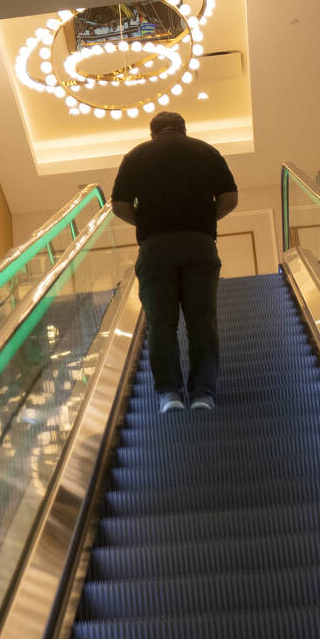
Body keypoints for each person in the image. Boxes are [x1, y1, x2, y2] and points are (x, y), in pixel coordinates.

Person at [110, 111, 238, 413]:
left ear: (152, 132)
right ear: (184, 129)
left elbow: (118, 205)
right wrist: (205, 220)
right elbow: (230, 198)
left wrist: (145, 222)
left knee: (161, 324)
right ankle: (203, 395)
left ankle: (169, 394)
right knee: (202, 322)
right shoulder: (206, 151)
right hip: (200, 245)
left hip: (156, 248)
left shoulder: (136, 156)